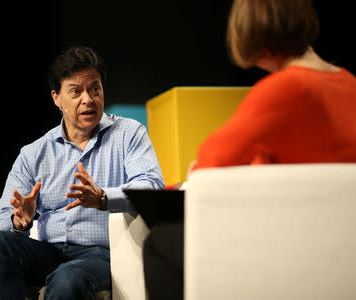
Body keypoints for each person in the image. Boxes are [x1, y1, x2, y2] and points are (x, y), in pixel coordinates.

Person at [143, 0, 356, 298]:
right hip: (342, 249)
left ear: (257, 36)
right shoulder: (349, 82)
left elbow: (209, 162)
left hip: (287, 245)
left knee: (159, 241)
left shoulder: (284, 88)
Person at [0, 45, 165, 300]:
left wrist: (104, 198)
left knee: (67, 278)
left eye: (94, 88)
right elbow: (2, 216)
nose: (88, 99)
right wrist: (18, 221)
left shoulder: (129, 134)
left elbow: (151, 186)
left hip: (100, 254)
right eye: (76, 91)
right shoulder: (34, 153)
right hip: (48, 252)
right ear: (57, 98)